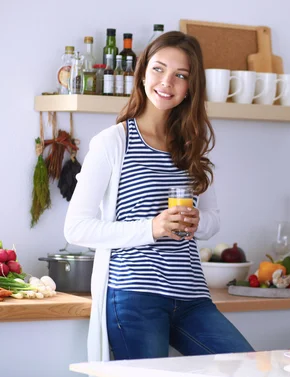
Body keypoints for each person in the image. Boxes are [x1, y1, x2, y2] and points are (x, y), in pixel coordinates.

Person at [64, 31, 254, 362]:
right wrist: (152, 228)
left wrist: (197, 222)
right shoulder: (113, 141)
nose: (167, 82)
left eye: (180, 75)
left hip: (192, 295)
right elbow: (77, 228)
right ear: (142, 73)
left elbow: (212, 221)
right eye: (158, 69)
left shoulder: (192, 146)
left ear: (190, 88)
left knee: (249, 365)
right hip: (134, 295)